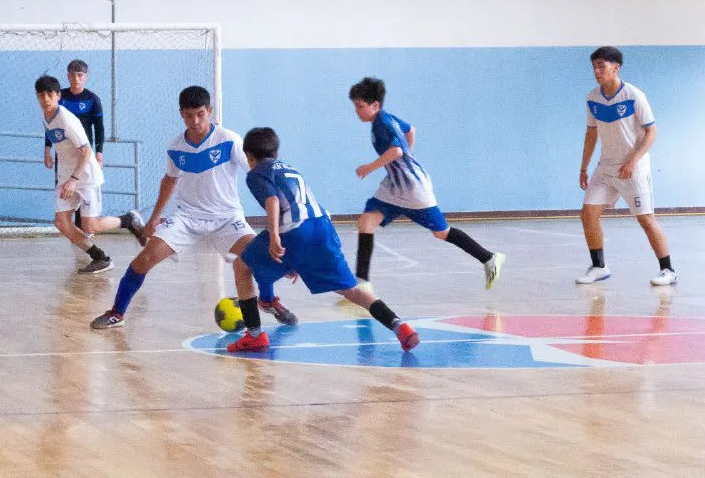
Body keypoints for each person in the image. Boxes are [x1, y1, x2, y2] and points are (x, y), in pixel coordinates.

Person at [90, 87, 297, 329]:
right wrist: (153, 219)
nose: (195, 121)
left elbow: (257, 171)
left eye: (200, 114)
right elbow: (169, 180)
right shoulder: (176, 147)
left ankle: (268, 300)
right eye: (189, 116)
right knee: (143, 260)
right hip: (187, 217)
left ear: (209, 110)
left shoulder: (229, 140)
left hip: (227, 218)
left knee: (259, 256)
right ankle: (117, 313)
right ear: (181, 114)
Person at [227, 127, 419, 353]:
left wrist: (275, 238)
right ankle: (399, 326)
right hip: (323, 229)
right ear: (276, 153)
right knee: (351, 290)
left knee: (241, 266)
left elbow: (272, 201)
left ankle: (255, 336)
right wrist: (295, 259)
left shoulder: (257, 173)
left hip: (294, 231)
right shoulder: (289, 169)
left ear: (249, 157)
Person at [349, 77, 505, 291]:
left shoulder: (382, 125)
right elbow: (410, 130)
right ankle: (362, 285)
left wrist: (370, 167)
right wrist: (406, 160)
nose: (356, 111)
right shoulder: (386, 118)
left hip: (413, 188)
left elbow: (397, 151)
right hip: (394, 186)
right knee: (366, 222)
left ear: (375, 105)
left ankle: (489, 258)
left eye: (360, 106)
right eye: (355, 106)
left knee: (441, 232)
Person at [578, 46, 676, 286]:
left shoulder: (634, 95)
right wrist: (583, 167)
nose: (597, 71)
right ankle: (599, 267)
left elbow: (651, 132)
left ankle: (668, 270)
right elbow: (591, 133)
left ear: (616, 68)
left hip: (633, 168)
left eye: (601, 66)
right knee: (588, 214)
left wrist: (632, 161)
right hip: (606, 167)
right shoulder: (592, 98)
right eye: (594, 67)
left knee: (646, 219)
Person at [35, 75, 145, 273]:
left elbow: (86, 151)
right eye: (41, 95)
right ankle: (100, 258)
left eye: (50, 94)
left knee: (90, 226)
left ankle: (128, 220)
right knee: (61, 223)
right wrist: (47, 151)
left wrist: (74, 179)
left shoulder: (67, 120)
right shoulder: (45, 115)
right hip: (66, 176)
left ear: (58, 95)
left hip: (85, 176)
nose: (45, 99)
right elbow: (53, 136)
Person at [43, 59, 106, 230]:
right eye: (72, 75)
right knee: (65, 191)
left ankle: (84, 229)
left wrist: (99, 154)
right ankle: (74, 231)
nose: (76, 79)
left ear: (86, 77)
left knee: (82, 189)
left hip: (83, 153)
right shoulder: (60, 97)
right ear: (67, 76)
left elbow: (99, 128)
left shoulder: (93, 99)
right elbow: (50, 125)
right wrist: (47, 149)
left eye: (80, 75)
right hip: (63, 154)